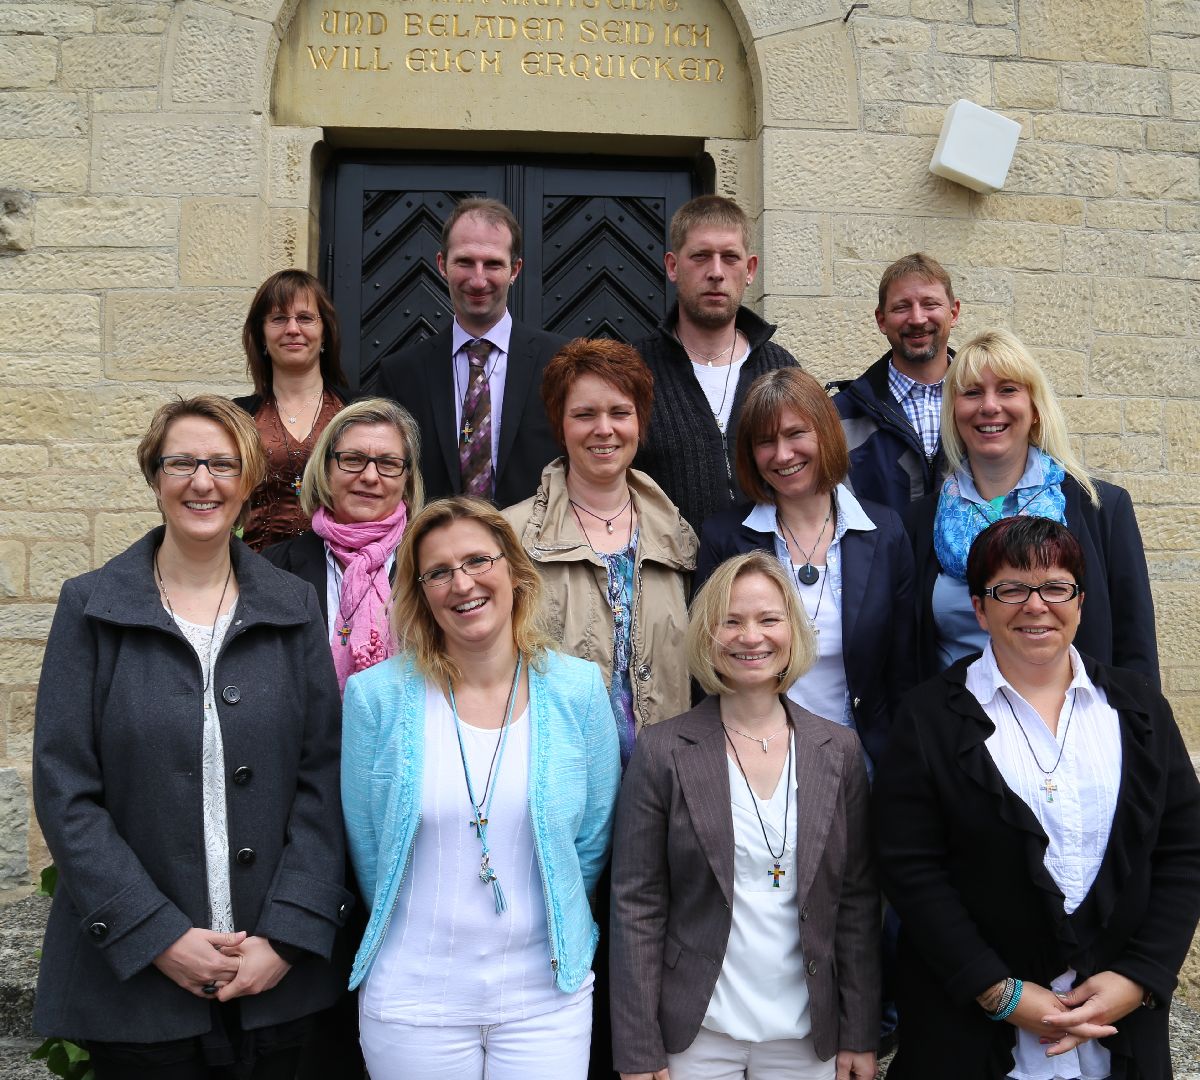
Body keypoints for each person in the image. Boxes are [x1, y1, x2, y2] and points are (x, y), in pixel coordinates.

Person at [32, 395, 351, 1079]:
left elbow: (323, 777)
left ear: (246, 481)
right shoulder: (90, 607)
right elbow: (65, 790)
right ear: (155, 478)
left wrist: (288, 934)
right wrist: (159, 937)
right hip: (141, 990)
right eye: (182, 463)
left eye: (222, 464)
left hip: (276, 983)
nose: (202, 481)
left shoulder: (293, 606)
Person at [873, 516, 1200, 1079]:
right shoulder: (927, 718)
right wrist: (995, 990)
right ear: (979, 608)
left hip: (1118, 1033)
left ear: (1080, 600)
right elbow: (910, 869)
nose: (1035, 605)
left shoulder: (1139, 708)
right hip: (971, 1035)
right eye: (1011, 589)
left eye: (1055, 587)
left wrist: (1142, 975)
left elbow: (1185, 850)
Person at [341, 496, 621, 1080]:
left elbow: (590, 842)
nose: (461, 583)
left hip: (545, 995)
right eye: (438, 572)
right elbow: (370, 849)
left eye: (477, 561)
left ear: (515, 571)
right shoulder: (377, 699)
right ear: (420, 593)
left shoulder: (577, 691)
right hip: (414, 1000)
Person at [611, 550, 879, 1080]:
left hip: (808, 1040)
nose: (750, 637)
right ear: (707, 636)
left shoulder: (839, 751)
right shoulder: (663, 751)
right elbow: (636, 905)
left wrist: (860, 1032)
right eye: (730, 621)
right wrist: (639, 1049)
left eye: (768, 619)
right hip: (697, 1035)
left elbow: (856, 901)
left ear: (793, 631)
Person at [907, 328, 1158, 685]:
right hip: (955, 727)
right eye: (972, 392)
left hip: (1073, 724)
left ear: (1035, 408)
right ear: (953, 412)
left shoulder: (1102, 509)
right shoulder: (920, 521)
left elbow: (1136, 649)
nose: (989, 406)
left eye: (1008, 389)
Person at [695, 367, 916, 773]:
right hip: (753, 762)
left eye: (796, 434)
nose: (782, 454)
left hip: (862, 763)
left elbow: (903, 669)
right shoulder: (724, 538)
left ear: (826, 434)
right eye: (765, 441)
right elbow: (707, 664)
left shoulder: (884, 533)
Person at [503, 337, 697, 764]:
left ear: (640, 422)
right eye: (584, 414)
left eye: (620, 413)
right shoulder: (510, 537)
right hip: (555, 772)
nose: (604, 429)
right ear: (561, 424)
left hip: (662, 776)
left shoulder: (680, 538)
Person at [373, 198, 565, 506]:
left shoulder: (562, 362)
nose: (478, 280)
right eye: (464, 262)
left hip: (535, 548)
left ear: (514, 270)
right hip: (434, 548)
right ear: (441, 264)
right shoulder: (401, 374)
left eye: (492, 264)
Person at [634, 195, 798, 533]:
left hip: (768, 573)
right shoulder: (634, 369)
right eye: (701, 256)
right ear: (673, 266)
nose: (716, 273)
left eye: (730, 257)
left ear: (750, 269)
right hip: (666, 575)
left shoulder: (780, 368)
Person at [263, 397, 424, 695]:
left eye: (388, 463)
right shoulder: (274, 568)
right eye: (353, 459)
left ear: (407, 479)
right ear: (326, 468)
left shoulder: (431, 562)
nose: (370, 477)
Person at [831, 253, 960, 514]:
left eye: (930, 304)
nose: (917, 319)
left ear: (953, 312)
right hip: (880, 555)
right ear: (881, 320)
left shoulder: (988, 404)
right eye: (902, 307)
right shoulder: (838, 415)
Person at [235, 269, 352, 550]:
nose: (292, 329)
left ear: (324, 332)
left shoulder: (356, 412)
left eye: (305, 318)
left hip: (339, 574)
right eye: (278, 318)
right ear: (262, 335)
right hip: (257, 573)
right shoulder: (236, 418)